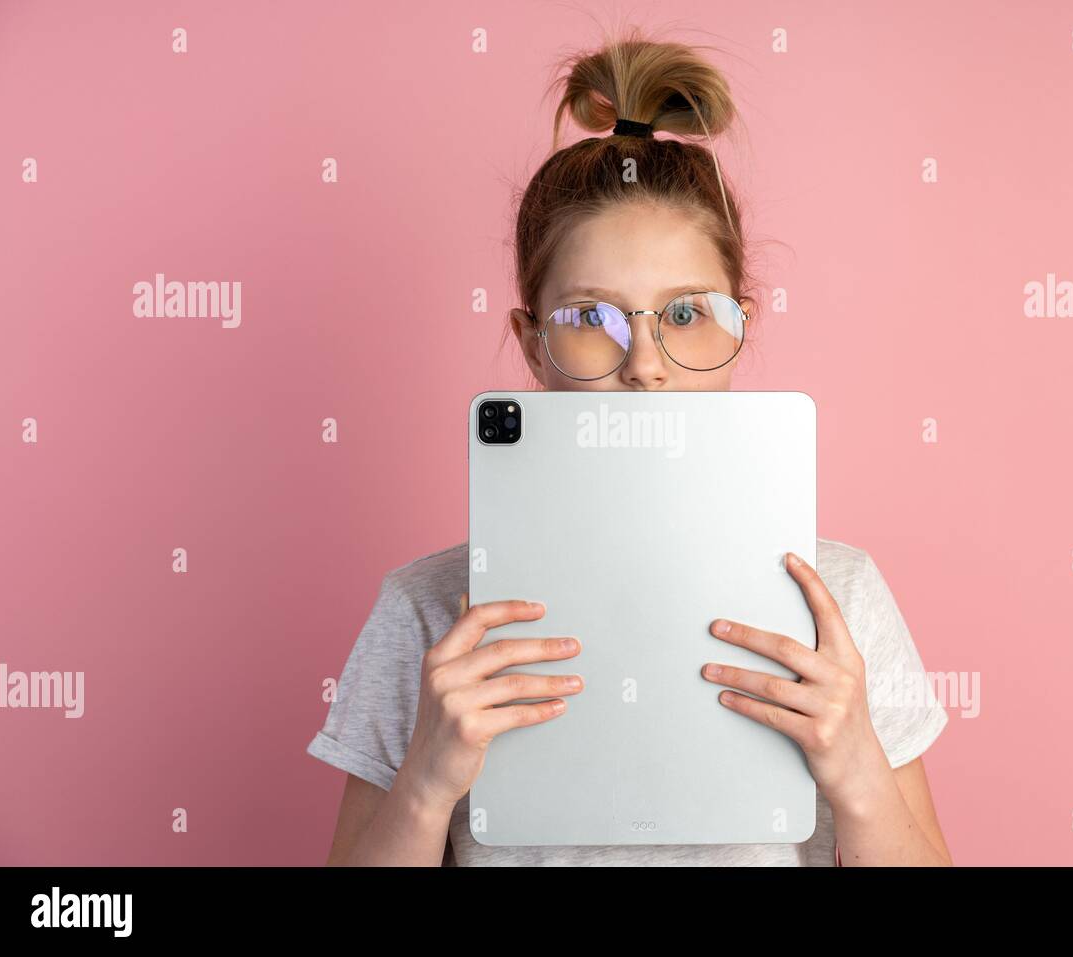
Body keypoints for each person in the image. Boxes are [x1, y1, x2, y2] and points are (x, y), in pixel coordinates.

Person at [307, 28, 952, 866]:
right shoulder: (429, 613)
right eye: (589, 317)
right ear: (532, 343)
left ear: (741, 328)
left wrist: (859, 773)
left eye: (686, 312)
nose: (645, 366)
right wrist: (428, 783)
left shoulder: (841, 599)